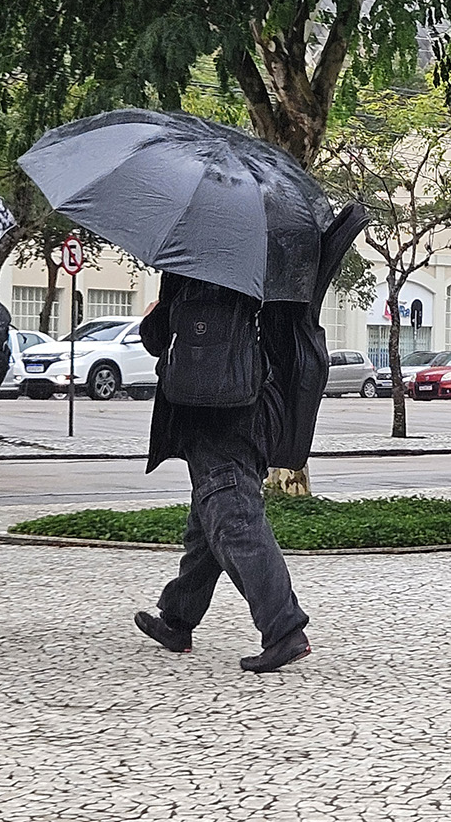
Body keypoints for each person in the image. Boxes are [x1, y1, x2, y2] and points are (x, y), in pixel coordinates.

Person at [132, 273, 320, 672]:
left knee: (234, 521)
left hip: (219, 415)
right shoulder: (271, 271)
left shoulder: (200, 269)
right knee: (207, 523)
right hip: (258, 406)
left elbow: (157, 337)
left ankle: (284, 629)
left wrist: (153, 315)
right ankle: (178, 620)